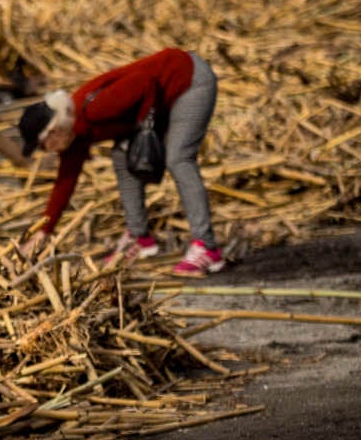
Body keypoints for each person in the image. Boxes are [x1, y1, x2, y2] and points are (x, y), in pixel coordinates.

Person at [15, 47, 224, 277]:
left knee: (178, 158)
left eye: (43, 146)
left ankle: (207, 248)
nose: (45, 151)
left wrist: (149, 130)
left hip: (188, 80)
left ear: (53, 131)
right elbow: (65, 181)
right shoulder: (73, 135)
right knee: (122, 155)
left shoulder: (93, 109)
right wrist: (43, 231)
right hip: (165, 95)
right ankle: (139, 237)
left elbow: (145, 82)